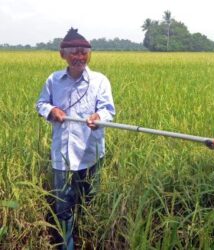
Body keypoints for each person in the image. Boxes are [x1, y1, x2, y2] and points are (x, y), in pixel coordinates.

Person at [36, 28, 115, 249]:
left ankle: (89, 240)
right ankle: (67, 245)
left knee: (89, 201)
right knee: (63, 206)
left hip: (91, 153)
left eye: (84, 52)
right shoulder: (54, 80)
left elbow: (109, 110)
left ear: (89, 55)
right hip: (61, 155)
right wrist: (51, 110)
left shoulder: (100, 81)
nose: (79, 57)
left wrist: (99, 116)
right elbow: (41, 103)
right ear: (63, 54)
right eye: (74, 52)